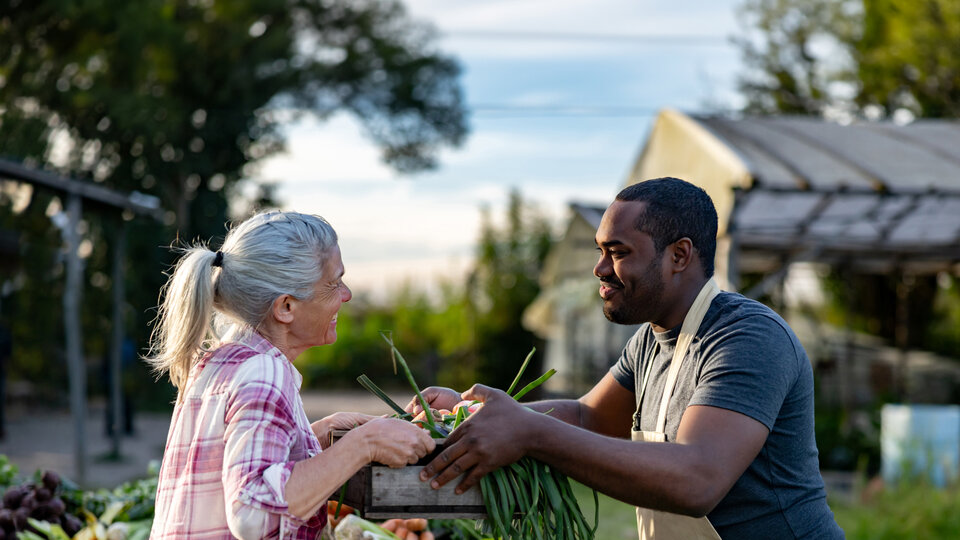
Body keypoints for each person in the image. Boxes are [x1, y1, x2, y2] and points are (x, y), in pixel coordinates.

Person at [410, 178, 844, 539]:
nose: (599, 269)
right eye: (600, 251)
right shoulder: (650, 340)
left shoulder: (747, 336)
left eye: (617, 253)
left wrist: (530, 434)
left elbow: (697, 479)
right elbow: (587, 418)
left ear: (679, 255)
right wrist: (476, 416)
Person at [147, 211, 435, 539]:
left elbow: (234, 466)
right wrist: (362, 445)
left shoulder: (219, 362)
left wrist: (315, 436)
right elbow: (253, 515)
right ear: (285, 307)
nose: (346, 294)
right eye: (334, 283)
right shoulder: (263, 371)